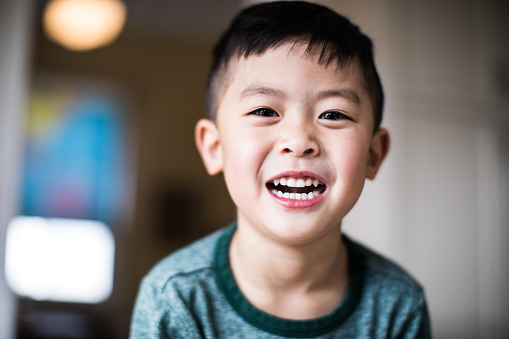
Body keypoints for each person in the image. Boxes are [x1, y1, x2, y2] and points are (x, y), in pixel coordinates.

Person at [130, 1, 432, 338]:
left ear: (373, 156)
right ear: (215, 148)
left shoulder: (398, 303)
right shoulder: (176, 299)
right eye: (264, 111)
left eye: (333, 114)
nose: (299, 141)